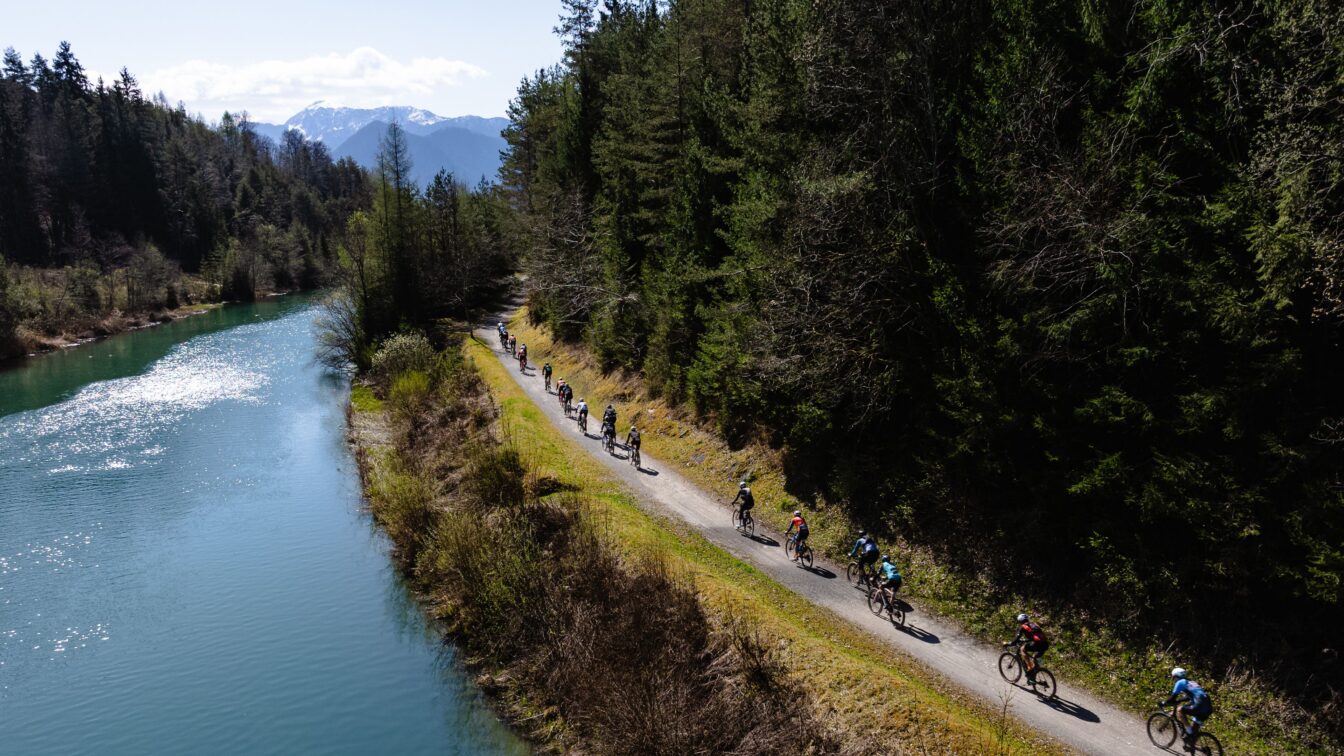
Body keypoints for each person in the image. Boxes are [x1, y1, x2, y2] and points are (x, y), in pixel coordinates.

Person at [1162, 667, 1213, 743]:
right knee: (1194, 729)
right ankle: (1192, 744)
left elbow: (1172, 698)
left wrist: (1164, 703)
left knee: (1180, 710)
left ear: (1176, 676)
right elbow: (1189, 697)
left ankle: (1189, 733)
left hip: (1199, 705)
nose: (1174, 680)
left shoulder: (1180, 682)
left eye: (1173, 678)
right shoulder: (1191, 682)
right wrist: (1179, 700)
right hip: (1208, 706)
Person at [1011, 613, 1050, 685]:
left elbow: (1017, 638)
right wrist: (1027, 641)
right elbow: (1036, 636)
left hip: (1037, 644)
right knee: (1035, 659)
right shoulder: (1034, 624)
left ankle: (1029, 667)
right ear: (1027, 619)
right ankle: (1032, 678)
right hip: (1045, 644)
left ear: (1020, 621)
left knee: (1022, 649)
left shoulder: (1023, 626)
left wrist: (1011, 643)